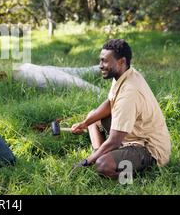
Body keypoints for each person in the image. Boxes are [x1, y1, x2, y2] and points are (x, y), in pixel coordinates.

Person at [71, 39, 171, 179]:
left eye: (105, 61)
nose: (100, 66)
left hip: (149, 150)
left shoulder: (129, 92)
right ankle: (102, 153)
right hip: (132, 134)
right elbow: (110, 102)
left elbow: (114, 141)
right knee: (93, 117)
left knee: (103, 165)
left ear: (121, 62)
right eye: (100, 60)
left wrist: (86, 161)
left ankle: (132, 176)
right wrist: (85, 123)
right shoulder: (123, 74)